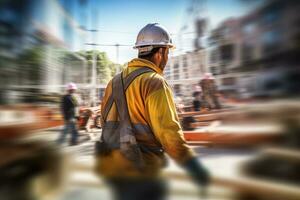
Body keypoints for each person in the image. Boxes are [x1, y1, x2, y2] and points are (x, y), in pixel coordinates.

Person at [95, 23, 210, 200]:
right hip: (142, 171)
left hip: (113, 168)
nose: (167, 58)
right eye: (168, 53)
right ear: (161, 52)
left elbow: (104, 122)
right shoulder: (154, 82)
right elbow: (168, 134)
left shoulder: (114, 82)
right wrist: (192, 165)